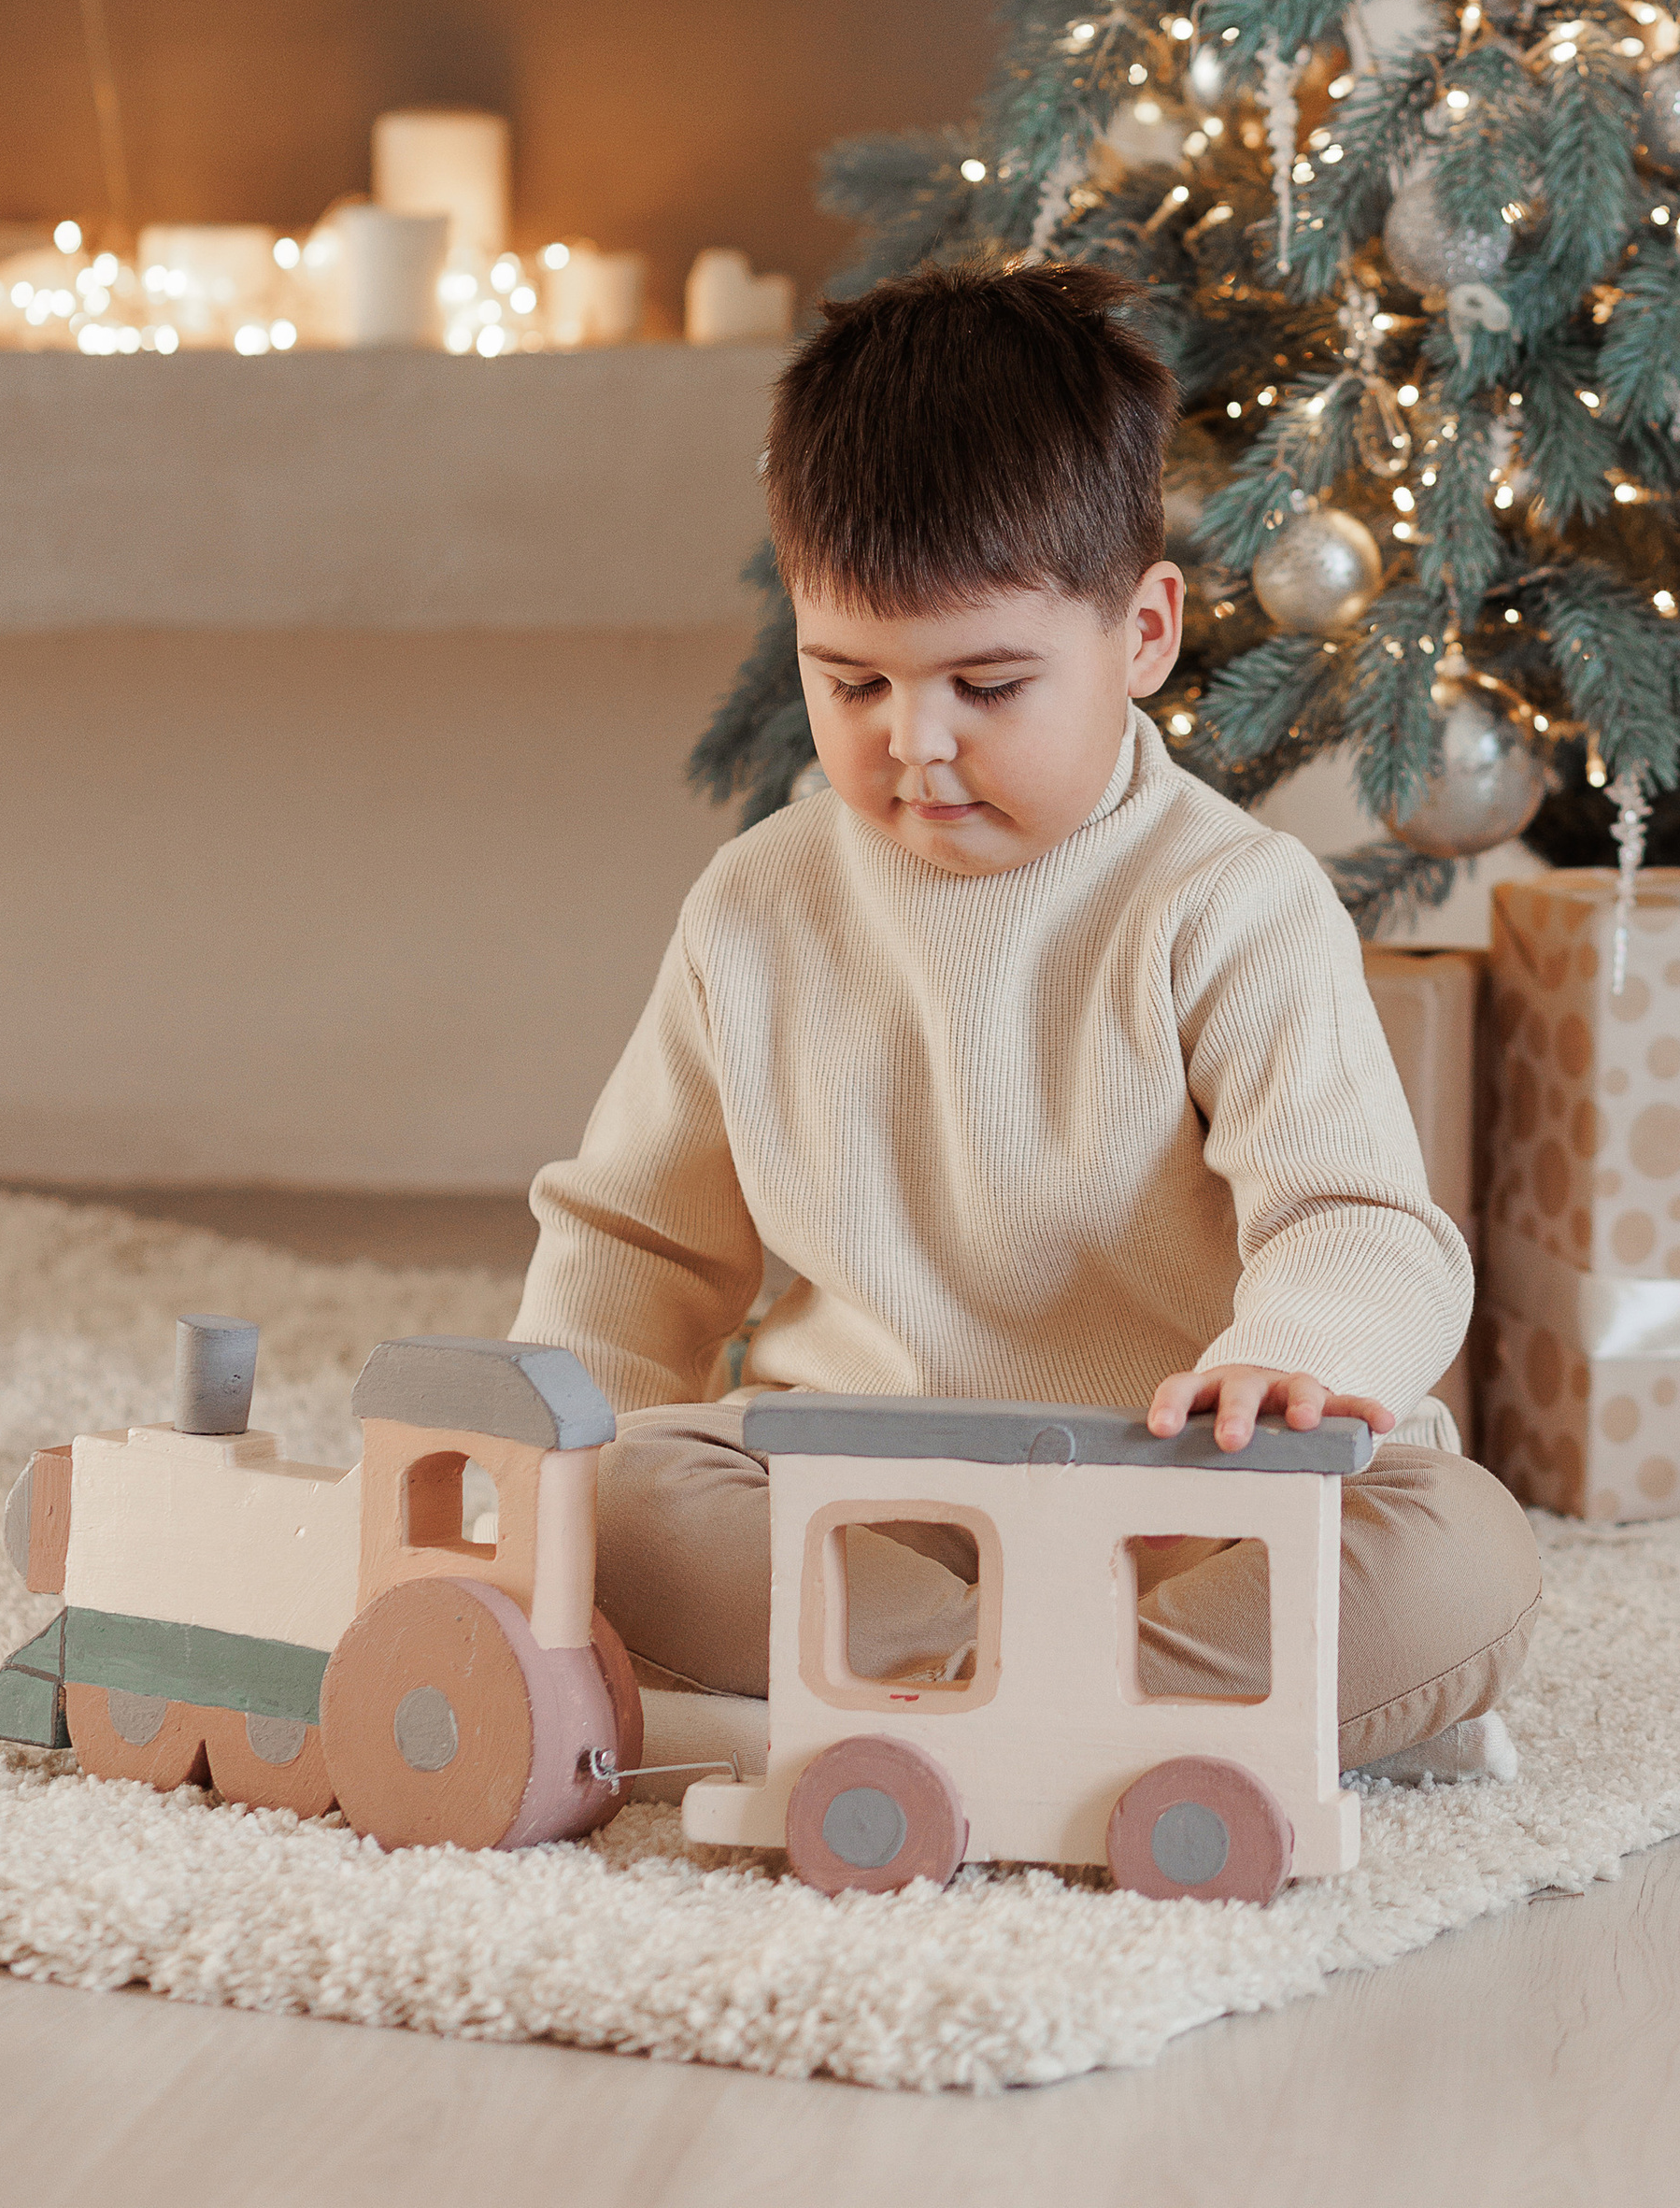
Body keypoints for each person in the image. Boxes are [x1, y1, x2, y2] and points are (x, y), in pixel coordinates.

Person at [518, 261, 1540, 1774]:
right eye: (851, 681)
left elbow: (1357, 1219)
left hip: (1180, 1505)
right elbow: (638, 1244)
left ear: (1143, 635)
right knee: (614, 1500)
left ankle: (965, 1701)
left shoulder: (1233, 902)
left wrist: (1295, 1356)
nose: (914, 744)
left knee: (1461, 1549)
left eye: (987, 685)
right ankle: (1082, 1709)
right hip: (860, 1497)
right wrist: (555, 1475)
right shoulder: (758, 905)